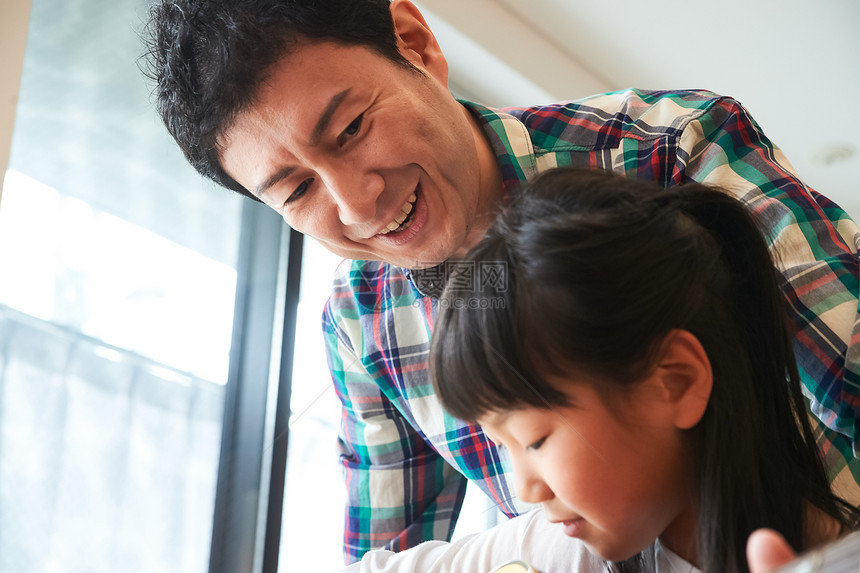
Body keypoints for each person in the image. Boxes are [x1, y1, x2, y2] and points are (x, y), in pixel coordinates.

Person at [140, 0, 860, 563]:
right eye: (297, 190)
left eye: (352, 127)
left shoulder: (670, 152)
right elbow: (390, 559)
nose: (356, 206)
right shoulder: (364, 325)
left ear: (416, 45)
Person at [343, 168, 860, 572]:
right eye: (504, 445)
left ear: (674, 381)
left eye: (536, 440)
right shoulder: (569, 546)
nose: (524, 489)